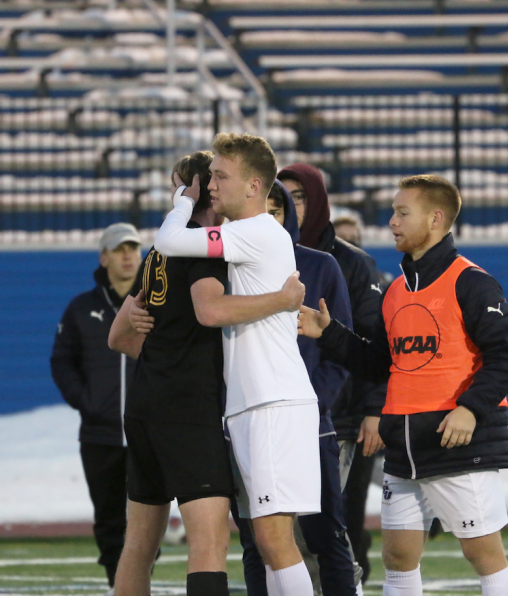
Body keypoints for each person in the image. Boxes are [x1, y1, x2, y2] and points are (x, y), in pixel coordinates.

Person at [299, 174, 508, 596]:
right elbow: (379, 364)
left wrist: (470, 409)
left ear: (436, 218)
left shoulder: (472, 282)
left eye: (403, 212)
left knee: (484, 556)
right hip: (403, 449)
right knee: (398, 558)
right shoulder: (396, 292)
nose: (392, 222)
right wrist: (329, 332)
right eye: (393, 212)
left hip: (457, 444)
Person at [108, 150, 305, 596]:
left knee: (140, 544)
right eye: (213, 178)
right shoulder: (205, 246)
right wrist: (281, 300)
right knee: (210, 540)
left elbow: (119, 336)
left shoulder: (158, 252)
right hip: (187, 408)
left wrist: (162, 354)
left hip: (143, 405)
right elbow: (211, 309)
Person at [153, 133, 321, 596]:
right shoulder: (248, 234)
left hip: (273, 400)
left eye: (221, 177)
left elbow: (168, 241)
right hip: (256, 402)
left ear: (253, 186)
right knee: (267, 541)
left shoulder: (254, 231)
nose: (211, 186)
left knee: (274, 537)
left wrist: (181, 202)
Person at [231, 180, 358, 596]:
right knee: (256, 540)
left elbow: (340, 346)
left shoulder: (320, 266)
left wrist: (309, 404)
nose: (268, 218)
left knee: (326, 536)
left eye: (277, 210)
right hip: (246, 417)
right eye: (260, 209)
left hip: (309, 420)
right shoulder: (230, 265)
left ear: (288, 216)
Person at [278, 163, 390, 583]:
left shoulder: (352, 263)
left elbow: (375, 344)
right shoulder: (261, 257)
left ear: (318, 199)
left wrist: (375, 408)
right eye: (280, 195)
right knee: (278, 533)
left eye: (298, 194)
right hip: (275, 417)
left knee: (319, 531)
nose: (288, 204)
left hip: (335, 419)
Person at [50, 222, 143, 589]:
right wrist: (86, 402)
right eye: (119, 249)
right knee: (108, 518)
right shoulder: (81, 308)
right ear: (104, 257)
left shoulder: (158, 302)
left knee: (145, 519)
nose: (126, 256)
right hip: (99, 434)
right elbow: (62, 361)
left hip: (145, 432)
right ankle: (115, 585)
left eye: (133, 248)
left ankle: (139, 584)